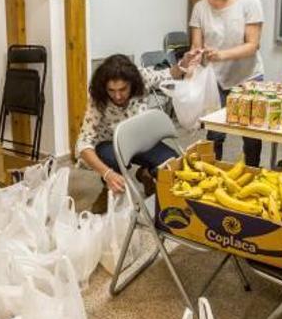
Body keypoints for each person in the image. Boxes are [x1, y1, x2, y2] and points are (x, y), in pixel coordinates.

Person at [76, 53, 196, 213]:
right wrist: (107, 174)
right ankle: (108, 189)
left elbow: (169, 73)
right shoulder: (98, 98)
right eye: (111, 90)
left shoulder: (141, 77)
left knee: (172, 163)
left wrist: (184, 63)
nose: (117, 96)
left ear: (132, 83)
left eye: (123, 89)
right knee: (109, 158)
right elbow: (83, 143)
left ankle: (146, 173)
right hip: (113, 144)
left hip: (142, 140)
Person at [189, 0, 264, 166]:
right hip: (216, 80)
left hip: (248, 78)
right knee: (215, 135)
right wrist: (194, 62)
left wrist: (220, 54)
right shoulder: (200, 8)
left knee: (251, 135)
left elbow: (252, 45)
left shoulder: (250, 2)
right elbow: (196, 46)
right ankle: (213, 177)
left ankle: (252, 174)